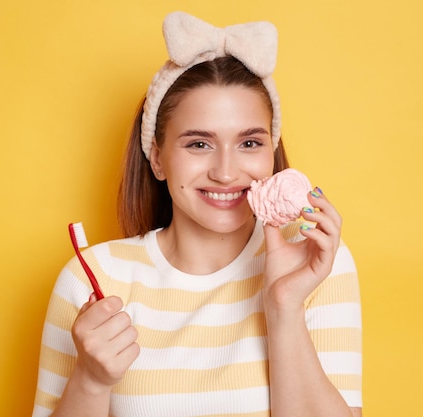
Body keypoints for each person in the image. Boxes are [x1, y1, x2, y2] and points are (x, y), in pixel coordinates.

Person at [32, 11, 362, 417]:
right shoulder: (92, 279)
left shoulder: (313, 260)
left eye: (250, 143)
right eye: (199, 145)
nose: (226, 173)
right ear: (156, 158)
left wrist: (283, 308)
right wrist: (90, 380)